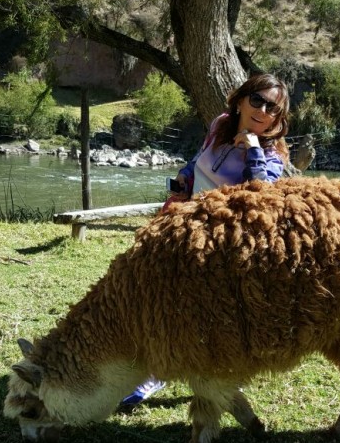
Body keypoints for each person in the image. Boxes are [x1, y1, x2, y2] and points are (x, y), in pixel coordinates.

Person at [120, 73, 292, 407]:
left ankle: (185, 371)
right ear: (241, 100)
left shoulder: (272, 157)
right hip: (183, 222)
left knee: (192, 304)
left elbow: (261, 195)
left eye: (273, 108)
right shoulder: (220, 124)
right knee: (157, 290)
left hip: (219, 243)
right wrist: (184, 176)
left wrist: (254, 150)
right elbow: (199, 160)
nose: (263, 110)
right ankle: (153, 365)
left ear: (278, 118)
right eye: (257, 100)